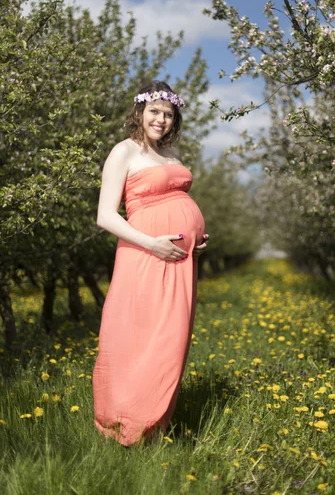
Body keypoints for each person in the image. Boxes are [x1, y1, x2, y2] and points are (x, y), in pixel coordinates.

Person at [92, 80, 208, 446]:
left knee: (171, 340)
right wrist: (153, 244)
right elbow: (106, 216)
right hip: (143, 254)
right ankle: (124, 421)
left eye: (168, 114)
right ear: (139, 112)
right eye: (155, 112)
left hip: (178, 261)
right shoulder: (124, 151)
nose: (161, 119)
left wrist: (196, 240)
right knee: (139, 335)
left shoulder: (171, 158)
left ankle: (153, 423)